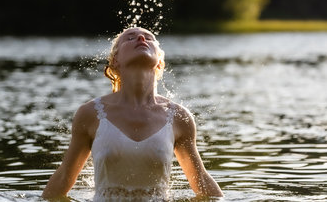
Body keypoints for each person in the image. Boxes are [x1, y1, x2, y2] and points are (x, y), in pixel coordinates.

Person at [43, 27, 223, 201]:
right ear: (115, 60)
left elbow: (201, 181)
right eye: (130, 38)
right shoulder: (90, 113)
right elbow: (64, 177)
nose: (141, 38)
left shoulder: (178, 117)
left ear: (160, 61)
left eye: (149, 37)